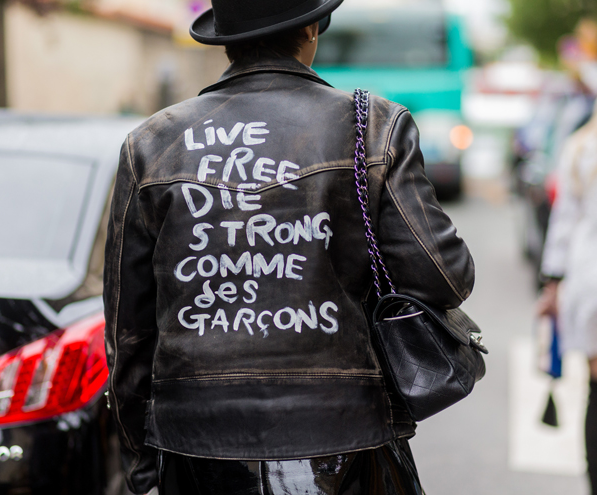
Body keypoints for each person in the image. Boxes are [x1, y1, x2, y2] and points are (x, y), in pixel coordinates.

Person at [103, 0, 475, 493]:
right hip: (345, 436)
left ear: (225, 40)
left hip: (194, 443)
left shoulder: (150, 144)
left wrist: (142, 458)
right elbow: (446, 276)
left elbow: (128, 329)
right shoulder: (373, 127)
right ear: (310, 27)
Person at [538, 98, 597, 494]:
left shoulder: (581, 145)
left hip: (588, 282)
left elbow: (564, 222)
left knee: (595, 388)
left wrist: (552, 285)